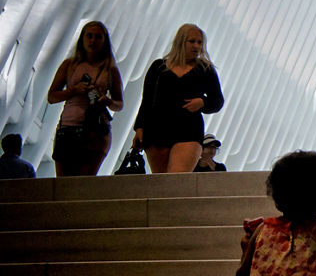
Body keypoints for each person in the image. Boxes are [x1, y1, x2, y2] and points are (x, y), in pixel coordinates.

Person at [134, 24, 225, 173]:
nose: (196, 46)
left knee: (176, 179)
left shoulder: (205, 69)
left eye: (200, 42)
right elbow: (147, 101)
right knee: (161, 180)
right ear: (181, 42)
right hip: (157, 128)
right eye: (192, 41)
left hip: (188, 128)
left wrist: (202, 102)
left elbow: (218, 101)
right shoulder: (158, 67)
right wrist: (139, 128)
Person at [45, 21, 125, 176]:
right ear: (82, 39)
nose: (93, 41)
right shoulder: (69, 65)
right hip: (68, 126)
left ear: (104, 41)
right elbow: (52, 96)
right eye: (89, 36)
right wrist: (74, 90)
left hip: (95, 130)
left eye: (98, 37)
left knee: (84, 180)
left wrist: (107, 101)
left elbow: (119, 104)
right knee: (64, 182)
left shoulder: (110, 70)